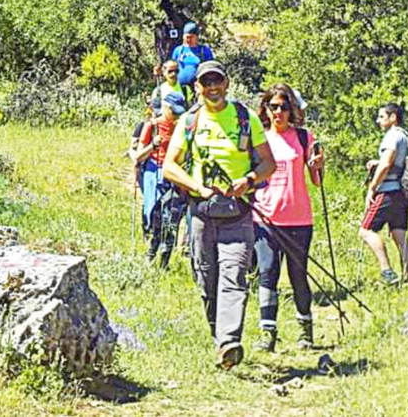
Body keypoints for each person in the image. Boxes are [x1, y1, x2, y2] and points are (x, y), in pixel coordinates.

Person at [163, 60, 275, 370]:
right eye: (206, 82)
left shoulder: (245, 118)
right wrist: (196, 185)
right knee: (207, 280)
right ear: (197, 87)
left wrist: (249, 180)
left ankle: (229, 341)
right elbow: (170, 165)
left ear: (226, 84)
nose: (212, 87)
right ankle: (220, 340)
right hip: (201, 213)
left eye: (217, 81)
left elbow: (269, 163)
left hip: (238, 213)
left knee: (234, 275)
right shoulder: (189, 121)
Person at [252, 83, 323, 352]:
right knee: (267, 274)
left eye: (283, 107)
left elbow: (317, 181)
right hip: (265, 217)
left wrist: (317, 166)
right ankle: (267, 334)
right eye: (273, 107)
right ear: (266, 109)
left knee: (298, 275)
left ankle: (306, 332)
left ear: (291, 110)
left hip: (299, 219)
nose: (278, 112)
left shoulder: (304, 137)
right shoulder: (260, 138)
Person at [358, 103, 408, 285]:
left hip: (387, 192)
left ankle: (387, 272)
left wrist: (372, 187)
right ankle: (406, 280)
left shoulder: (391, 136)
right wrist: (378, 161)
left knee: (366, 231)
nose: (378, 120)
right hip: (402, 193)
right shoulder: (404, 136)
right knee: (400, 235)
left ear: (393, 118)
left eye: (382, 116)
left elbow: (387, 163)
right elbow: (394, 161)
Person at [135, 92, 187, 268]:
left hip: (174, 173)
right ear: (165, 107)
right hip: (154, 170)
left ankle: (164, 262)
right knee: (155, 214)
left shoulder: (183, 127)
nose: (176, 116)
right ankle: (150, 255)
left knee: (172, 218)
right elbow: (138, 157)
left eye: (179, 112)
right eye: (174, 111)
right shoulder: (152, 126)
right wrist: (153, 145)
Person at [171, 22, 214, 94]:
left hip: (198, 89)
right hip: (179, 89)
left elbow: (210, 69)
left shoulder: (204, 51)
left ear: (196, 37)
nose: (188, 40)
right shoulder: (178, 51)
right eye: (186, 37)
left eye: (191, 37)